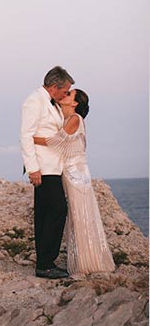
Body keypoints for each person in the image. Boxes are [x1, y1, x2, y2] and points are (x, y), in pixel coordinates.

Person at [33, 89, 115, 275]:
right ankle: (84, 260)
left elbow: (56, 142)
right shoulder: (65, 119)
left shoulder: (75, 119)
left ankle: (90, 263)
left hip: (76, 174)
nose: (64, 94)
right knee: (77, 216)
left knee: (82, 215)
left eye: (69, 94)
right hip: (69, 172)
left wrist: (30, 138)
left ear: (75, 102)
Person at [20, 66, 75, 279]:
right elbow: (26, 135)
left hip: (53, 167)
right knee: (57, 210)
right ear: (54, 86)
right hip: (43, 168)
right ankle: (46, 263)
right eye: (65, 90)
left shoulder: (49, 102)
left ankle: (44, 263)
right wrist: (33, 168)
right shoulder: (34, 101)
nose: (66, 94)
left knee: (44, 214)